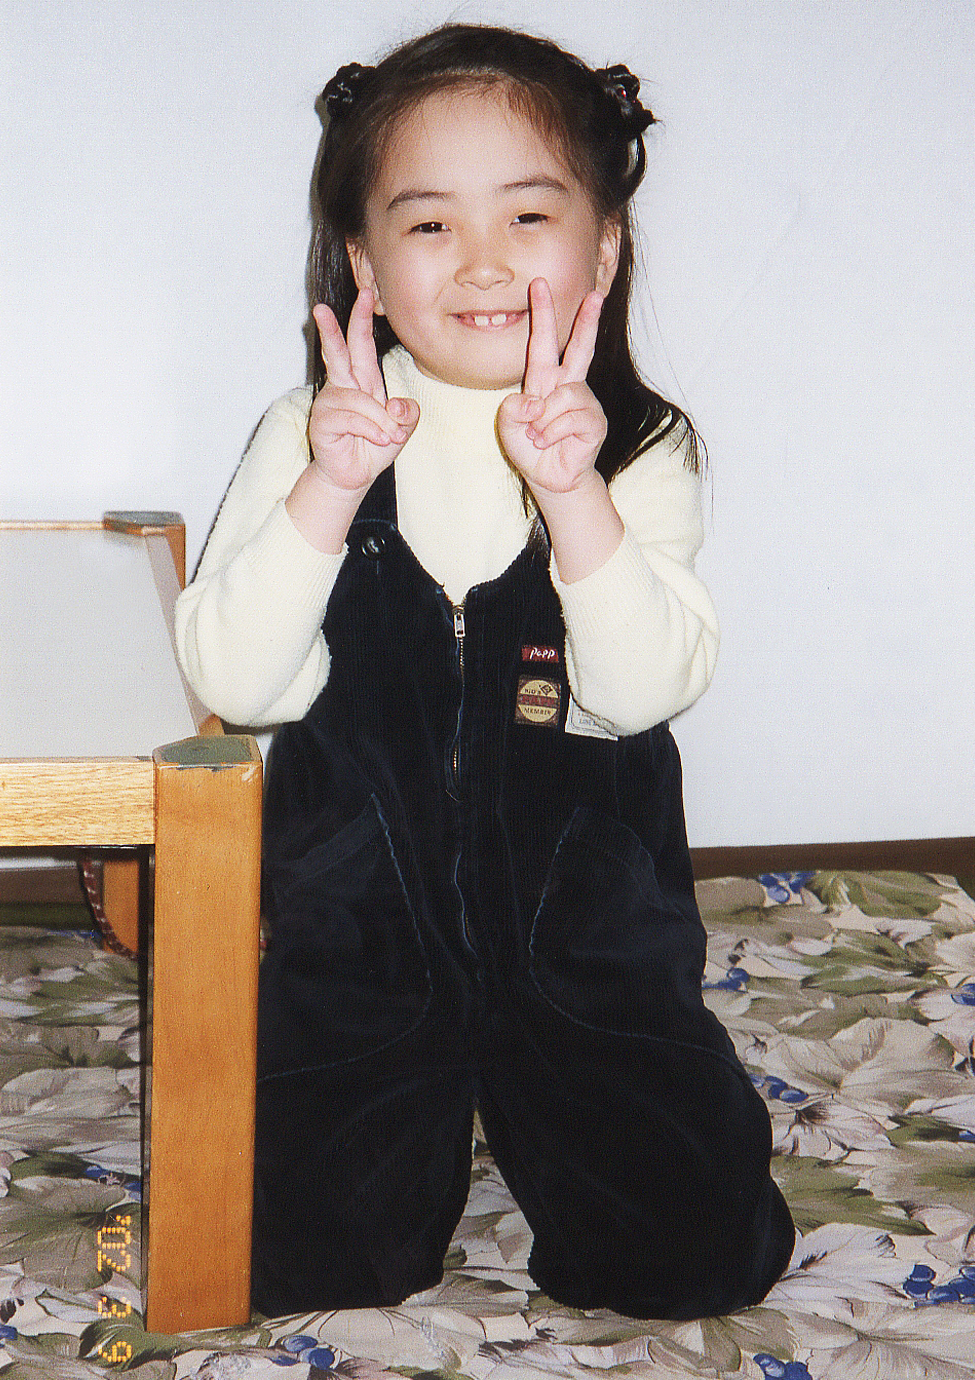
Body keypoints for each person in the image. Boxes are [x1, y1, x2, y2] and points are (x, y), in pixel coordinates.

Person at [175, 23, 795, 1322]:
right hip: (358, 942)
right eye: (429, 224)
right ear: (365, 265)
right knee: (293, 1258)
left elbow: (642, 690)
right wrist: (328, 489)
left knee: (692, 1259)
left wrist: (574, 497)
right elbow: (240, 677)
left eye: (527, 215)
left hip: (591, 944)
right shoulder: (309, 434)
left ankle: (567, 1100)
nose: (484, 262)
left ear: (603, 248)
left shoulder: (638, 449)